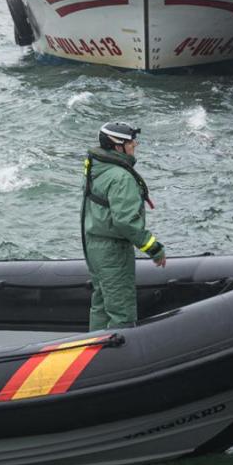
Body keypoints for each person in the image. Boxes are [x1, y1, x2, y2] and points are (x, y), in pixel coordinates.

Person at [81, 121, 166, 330]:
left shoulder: (97, 167)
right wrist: (154, 248)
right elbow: (125, 221)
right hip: (113, 250)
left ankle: (94, 350)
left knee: (101, 302)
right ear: (117, 146)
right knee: (121, 309)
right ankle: (115, 355)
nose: (135, 144)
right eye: (130, 142)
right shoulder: (121, 177)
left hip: (93, 243)